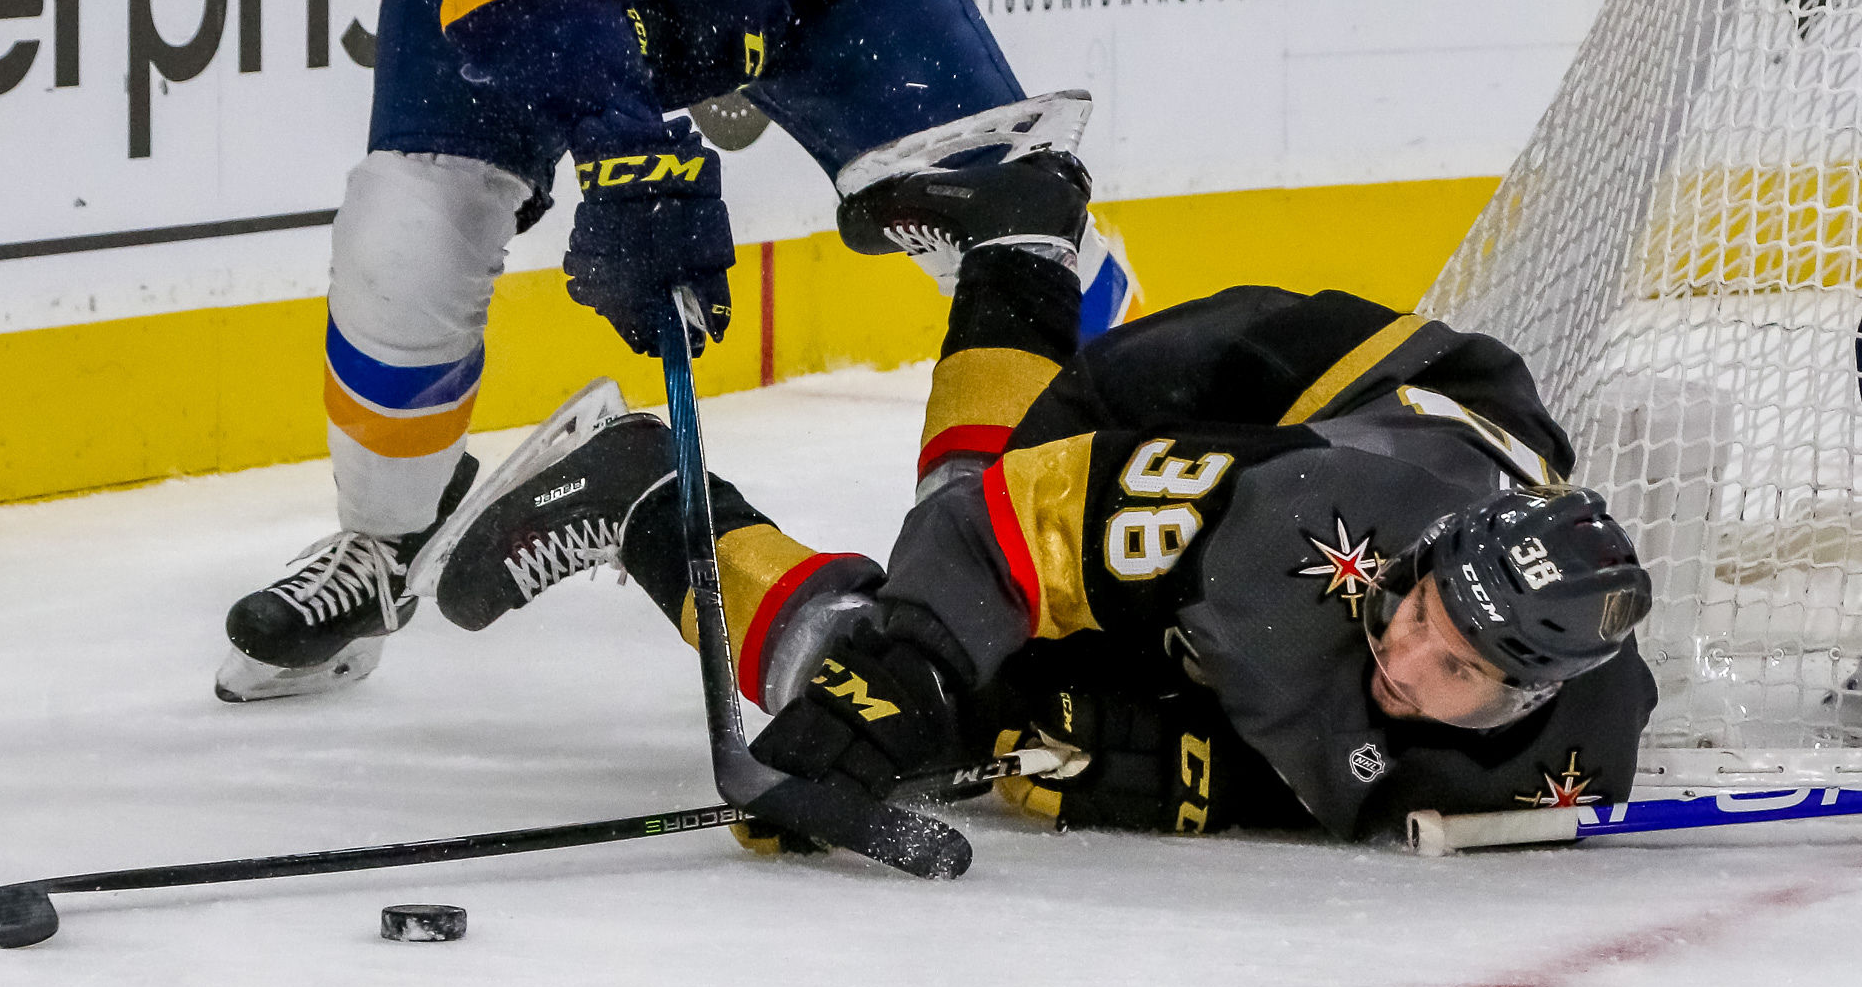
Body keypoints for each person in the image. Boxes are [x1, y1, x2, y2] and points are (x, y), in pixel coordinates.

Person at [213, 0, 1142, 703]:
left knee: (1021, 208)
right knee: (406, 235)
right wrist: (629, 155)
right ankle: (386, 538)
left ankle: (1123, 502)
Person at [424, 232, 1660, 843]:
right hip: (1231, 388)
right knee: (929, 646)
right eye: (1418, 615)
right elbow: (984, 534)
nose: (1406, 659)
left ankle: (1014, 232)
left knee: (1066, 689)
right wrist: (899, 679)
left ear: (1521, 696)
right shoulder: (1271, 528)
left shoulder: (1581, 744)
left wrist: (1179, 777)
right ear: (1414, 570)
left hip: (1418, 428)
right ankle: (643, 492)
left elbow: (1359, 770)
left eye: (1454, 669)